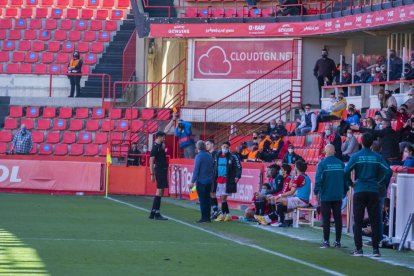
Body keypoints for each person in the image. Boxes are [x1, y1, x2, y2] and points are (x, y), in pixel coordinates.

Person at [344, 133, 392, 257]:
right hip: (373, 191)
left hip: (359, 190)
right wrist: (379, 183)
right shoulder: (377, 157)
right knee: (375, 220)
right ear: (371, 144)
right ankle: (376, 250)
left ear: (361, 142)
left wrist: (351, 183)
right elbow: (388, 171)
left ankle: (358, 249)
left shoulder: (356, 156)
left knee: (358, 221)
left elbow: (345, 171)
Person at [314, 144, 349, 249]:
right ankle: (338, 242)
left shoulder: (322, 164)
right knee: (338, 219)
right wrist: (344, 191)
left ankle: (326, 241)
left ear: (325, 151)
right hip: (338, 195)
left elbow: (318, 180)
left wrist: (316, 192)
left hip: (326, 195)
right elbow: (346, 179)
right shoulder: (341, 164)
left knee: (326, 218)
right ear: (334, 151)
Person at [274, 160, 311, 227]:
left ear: (296, 168)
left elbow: (291, 192)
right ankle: (285, 220)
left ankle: (281, 221)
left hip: (301, 200)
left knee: (279, 199)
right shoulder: (305, 176)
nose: (294, 168)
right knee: (281, 204)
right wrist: (294, 176)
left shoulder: (299, 177)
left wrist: (279, 195)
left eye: (295, 167)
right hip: (303, 200)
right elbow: (291, 186)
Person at [214, 141, 242, 222]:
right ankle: (227, 215)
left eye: (227, 147)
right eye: (224, 147)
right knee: (222, 198)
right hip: (219, 179)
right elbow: (214, 166)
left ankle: (223, 215)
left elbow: (238, 166)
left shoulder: (233, 156)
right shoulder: (217, 155)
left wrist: (237, 176)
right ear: (221, 147)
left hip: (228, 179)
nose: (225, 148)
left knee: (223, 197)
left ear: (229, 148)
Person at [189, 141, 214, 223]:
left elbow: (196, 170)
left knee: (202, 200)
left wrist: (192, 181)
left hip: (201, 181)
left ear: (198, 147)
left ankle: (204, 217)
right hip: (209, 180)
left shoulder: (199, 156)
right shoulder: (209, 155)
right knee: (207, 199)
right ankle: (208, 217)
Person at [149, 131, 169, 220]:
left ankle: (153, 212)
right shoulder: (155, 147)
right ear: (159, 137)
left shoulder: (160, 145)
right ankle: (156, 213)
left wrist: (172, 121)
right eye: (163, 137)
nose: (164, 139)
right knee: (159, 191)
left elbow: (166, 129)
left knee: (160, 191)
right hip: (160, 170)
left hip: (162, 170)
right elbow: (151, 161)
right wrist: (152, 174)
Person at [206, 139, 221, 220]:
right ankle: (215, 210)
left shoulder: (215, 154)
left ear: (212, 145)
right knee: (211, 193)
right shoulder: (210, 154)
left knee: (212, 193)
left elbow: (215, 166)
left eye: (208, 144)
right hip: (211, 176)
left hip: (214, 176)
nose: (206, 146)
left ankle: (216, 210)